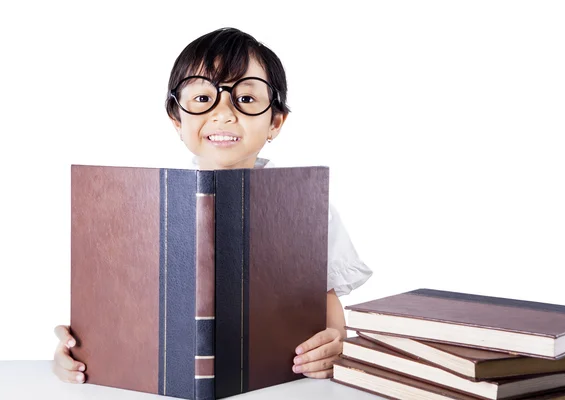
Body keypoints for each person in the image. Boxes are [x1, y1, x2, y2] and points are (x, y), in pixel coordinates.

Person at [52, 27, 372, 384]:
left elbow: (328, 314)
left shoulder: (306, 206)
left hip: (281, 383)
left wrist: (335, 344)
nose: (223, 114)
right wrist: (79, 353)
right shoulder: (138, 206)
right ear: (177, 118)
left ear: (275, 122)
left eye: (246, 99)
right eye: (203, 99)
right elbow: (114, 310)